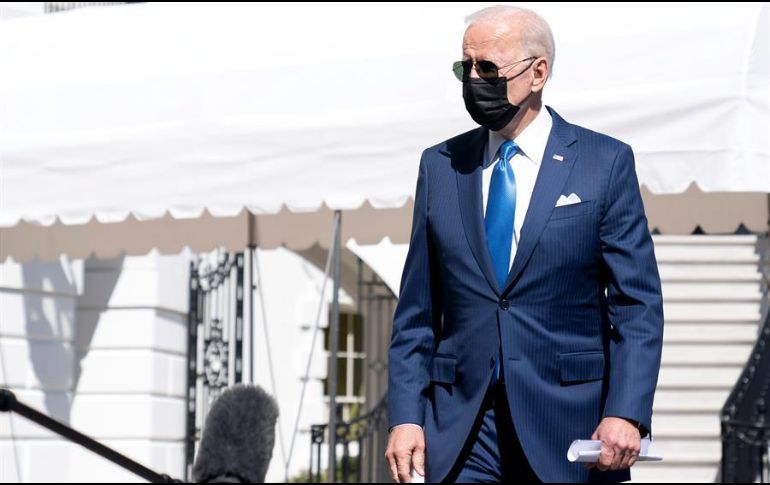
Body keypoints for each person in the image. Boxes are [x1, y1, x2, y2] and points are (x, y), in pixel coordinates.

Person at [384, 5, 664, 483]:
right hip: (463, 430)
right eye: (465, 67)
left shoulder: (604, 162)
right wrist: (406, 414)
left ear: (538, 73)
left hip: (568, 427)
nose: (474, 80)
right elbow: (417, 311)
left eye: (488, 68)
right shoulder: (441, 166)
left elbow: (636, 304)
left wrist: (627, 411)